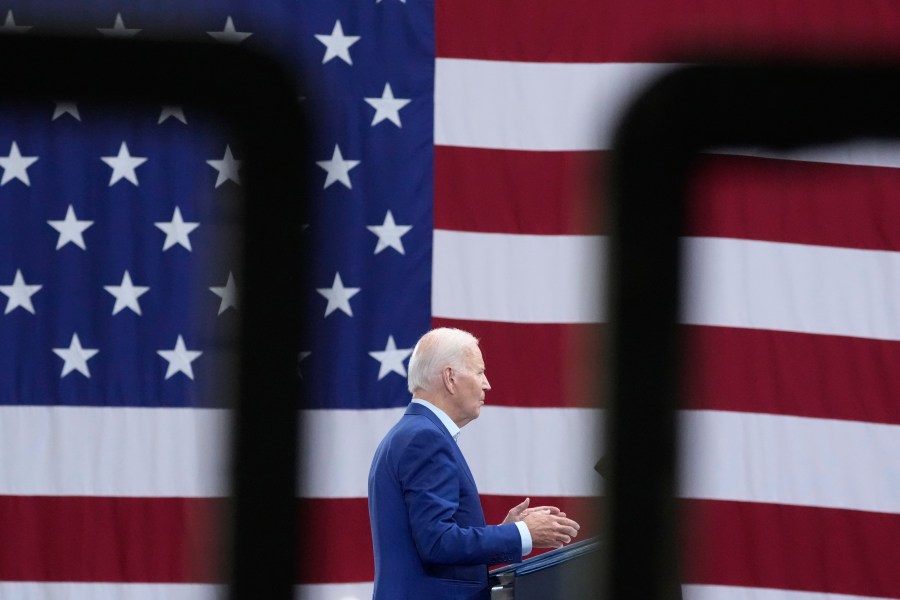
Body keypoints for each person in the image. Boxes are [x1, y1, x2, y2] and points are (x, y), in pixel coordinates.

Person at [368, 327, 581, 599]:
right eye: (479, 372)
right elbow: (437, 542)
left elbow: (436, 544)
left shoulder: (412, 433)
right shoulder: (425, 438)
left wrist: (505, 532)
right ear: (450, 378)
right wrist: (521, 534)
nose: (487, 384)